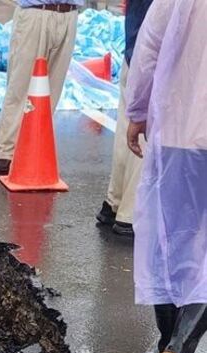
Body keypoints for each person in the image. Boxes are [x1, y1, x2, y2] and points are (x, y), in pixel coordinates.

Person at [126, 0, 207, 353]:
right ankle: (181, 346)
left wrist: (137, 111)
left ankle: (168, 345)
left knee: (170, 240)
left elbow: (149, 46)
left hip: (178, 130)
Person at [0, 1, 81, 175]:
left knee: (52, 91)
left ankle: (35, 150)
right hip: (35, 11)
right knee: (20, 86)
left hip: (70, 13)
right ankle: (6, 153)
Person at [96, 0, 154, 238]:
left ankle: (115, 203)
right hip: (151, 56)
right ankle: (129, 215)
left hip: (136, 51)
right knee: (144, 135)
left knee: (127, 129)